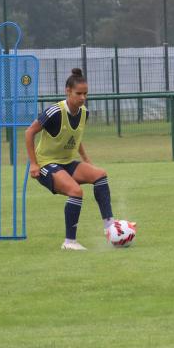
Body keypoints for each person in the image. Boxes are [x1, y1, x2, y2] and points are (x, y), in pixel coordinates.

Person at [25, 68, 117, 250]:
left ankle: (110, 226)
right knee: (76, 191)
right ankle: (69, 242)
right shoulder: (55, 112)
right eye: (79, 93)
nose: (83, 98)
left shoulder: (84, 113)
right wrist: (34, 164)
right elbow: (29, 133)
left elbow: (76, 137)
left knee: (100, 175)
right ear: (68, 91)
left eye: (85, 94)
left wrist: (86, 159)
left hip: (67, 163)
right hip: (46, 164)